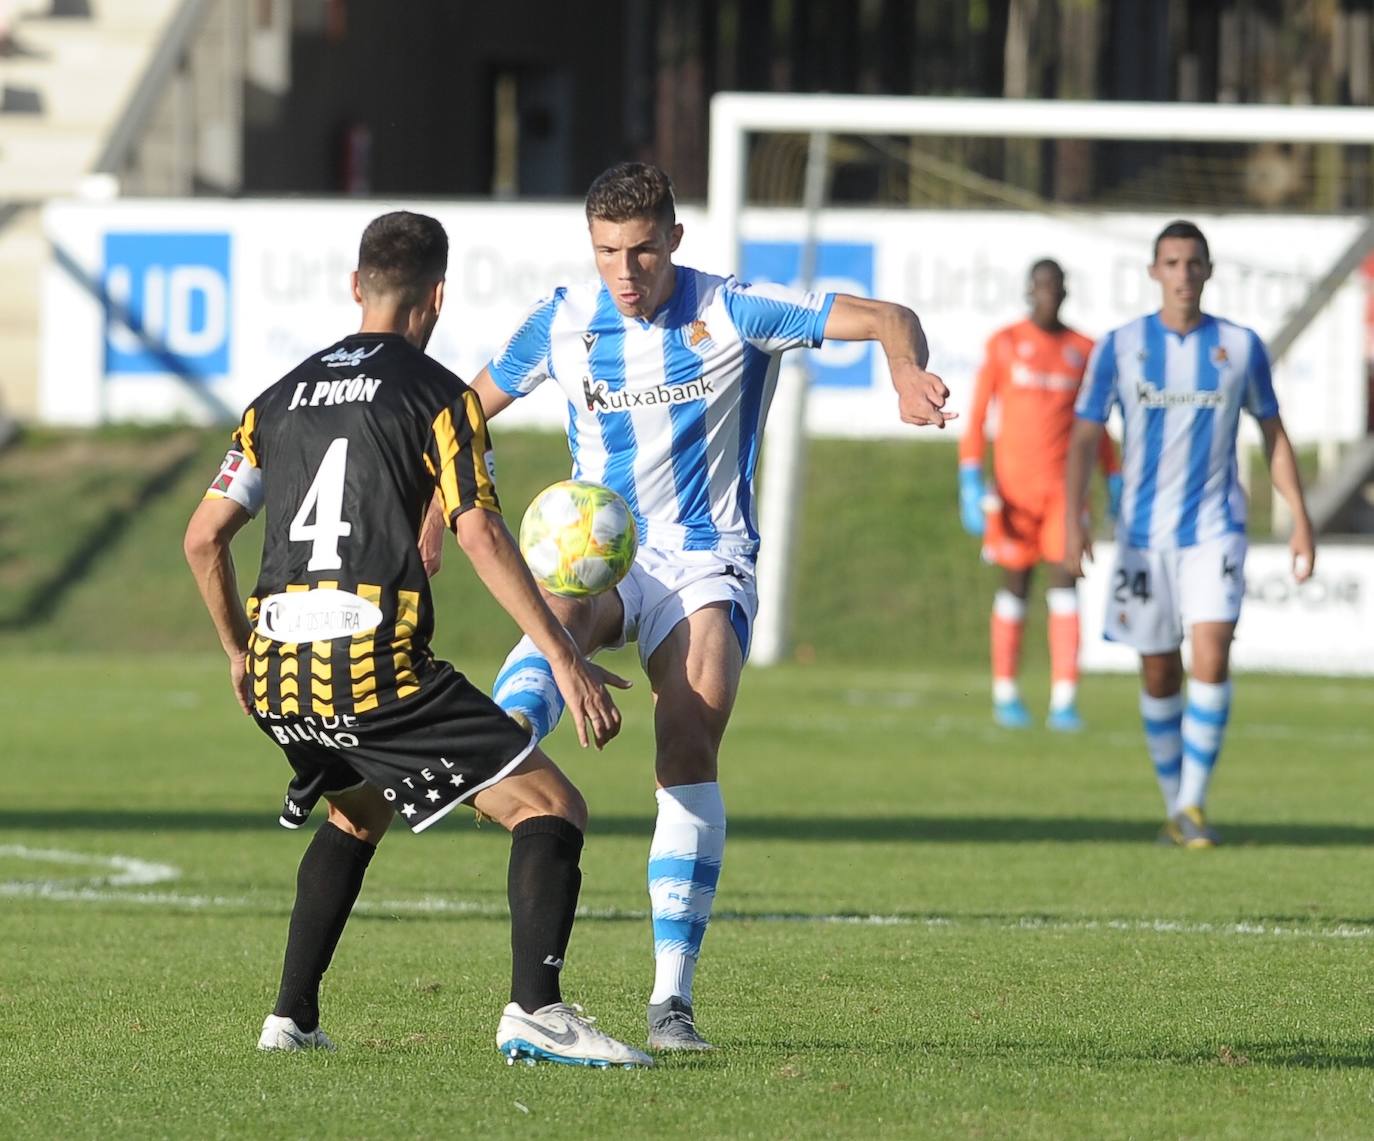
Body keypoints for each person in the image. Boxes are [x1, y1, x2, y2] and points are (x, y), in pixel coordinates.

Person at [463, 161, 952, 1051]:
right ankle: (488, 755)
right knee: (552, 630)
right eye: (609, 250)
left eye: (643, 250)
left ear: (674, 241)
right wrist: (442, 499)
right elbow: (464, 410)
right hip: (600, 548)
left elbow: (886, 317)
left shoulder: (732, 307)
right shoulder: (563, 322)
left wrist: (905, 371)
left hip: (704, 556)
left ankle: (670, 999)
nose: (626, 270)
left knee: (691, 729)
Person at [183, 210, 650, 1068]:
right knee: (552, 806)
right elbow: (477, 532)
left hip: (283, 665)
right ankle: (537, 1011)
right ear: (436, 299)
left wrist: (236, 650)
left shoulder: (275, 399)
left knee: (357, 811)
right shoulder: (442, 396)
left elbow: (202, 537)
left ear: (356, 287)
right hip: (369, 660)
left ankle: (289, 1018)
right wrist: (563, 654)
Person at [1064, 219, 1315, 848]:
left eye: (1192, 263)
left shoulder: (1241, 346)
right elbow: (1086, 436)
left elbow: (1272, 434)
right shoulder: (1120, 347)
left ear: (1207, 271)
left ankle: (1193, 805)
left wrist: (1300, 521)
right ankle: (1175, 802)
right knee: (1157, 673)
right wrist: (1074, 515)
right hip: (1143, 536)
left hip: (1215, 528)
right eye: (1170, 263)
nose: (1182, 274)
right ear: (1154, 272)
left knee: (1212, 651)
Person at [959, 259, 1122, 731]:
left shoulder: (1085, 350)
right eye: (1040, 287)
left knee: (1065, 586)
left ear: (1065, 293)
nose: (1047, 294)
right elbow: (976, 419)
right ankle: (1005, 693)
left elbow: (1097, 425)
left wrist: (1114, 476)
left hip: (1065, 499)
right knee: (1014, 587)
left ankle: (1064, 700)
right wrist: (970, 477)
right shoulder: (1005, 344)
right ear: (1029, 291)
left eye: (1055, 287)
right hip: (1012, 494)